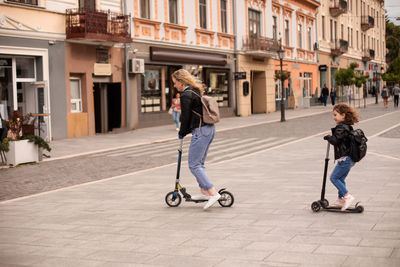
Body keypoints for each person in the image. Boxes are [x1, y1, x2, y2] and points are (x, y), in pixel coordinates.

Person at [171, 69, 220, 210]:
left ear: (181, 82)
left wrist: (182, 132)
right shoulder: (195, 91)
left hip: (200, 130)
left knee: (194, 165)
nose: (174, 86)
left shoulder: (186, 94)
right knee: (200, 163)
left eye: (175, 83)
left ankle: (212, 192)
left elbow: (185, 117)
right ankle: (204, 191)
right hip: (209, 129)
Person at [323, 103, 359, 211]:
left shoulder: (341, 127)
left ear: (343, 115)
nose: (334, 117)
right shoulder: (347, 126)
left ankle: (347, 196)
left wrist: (328, 137)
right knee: (341, 178)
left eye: (335, 115)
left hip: (345, 159)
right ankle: (340, 199)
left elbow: (336, 141)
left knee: (333, 178)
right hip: (349, 159)